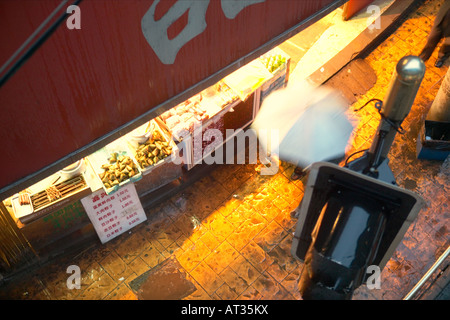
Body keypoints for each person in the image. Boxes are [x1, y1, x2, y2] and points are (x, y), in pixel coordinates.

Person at [419, 2, 450, 68]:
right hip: (443, 19)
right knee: (431, 40)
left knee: (447, 45)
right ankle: (421, 59)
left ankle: (441, 58)